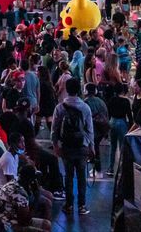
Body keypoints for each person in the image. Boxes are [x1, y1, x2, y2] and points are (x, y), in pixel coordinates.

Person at [50, 78, 92, 215]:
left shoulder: (60, 108)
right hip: (82, 146)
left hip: (66, 146)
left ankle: (69, 205)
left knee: (68, 175)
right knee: (81, 176)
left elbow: (54, 130)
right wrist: (92, 148)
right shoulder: (85, 107)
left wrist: (56, 145)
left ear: (67, 90)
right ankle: (82, 205)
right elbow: (90, 130)